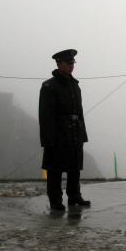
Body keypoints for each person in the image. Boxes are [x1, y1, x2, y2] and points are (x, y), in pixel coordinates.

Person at [39, 49, 90, 213]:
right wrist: (48, 140)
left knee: (74, 167)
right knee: (55, 169)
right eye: (68, 63)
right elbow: (45, 116)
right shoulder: (49, 86)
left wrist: (82, 133)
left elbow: (79, 112)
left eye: (72, 63)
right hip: (58, 133)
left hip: (75, 132)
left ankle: (74, 196)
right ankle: (55, 200)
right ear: (59, 63)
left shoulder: (75, 85)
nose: (71, 66)